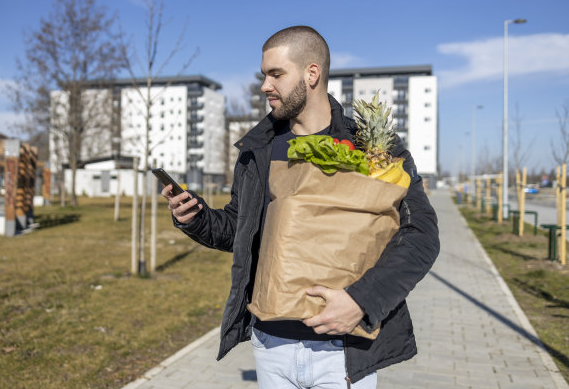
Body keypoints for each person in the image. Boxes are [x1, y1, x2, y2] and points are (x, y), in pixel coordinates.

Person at [162, 26, 439, 388]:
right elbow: (241, 228)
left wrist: (363, 301)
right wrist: (197, 218)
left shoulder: (376, 149)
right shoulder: (258, 148)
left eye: (276, 74)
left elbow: (422, 236)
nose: (265, 85)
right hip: (270, 343)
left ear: (312, 74)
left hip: (345, 351)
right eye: (264, 74)